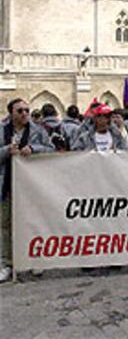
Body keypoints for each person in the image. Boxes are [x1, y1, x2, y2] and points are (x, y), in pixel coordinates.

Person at [0, 98, 55, 283]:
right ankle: (7, 263)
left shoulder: (37, 130)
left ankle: (33, 259)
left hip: (31, 186)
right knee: (5, 226)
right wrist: (7, 150)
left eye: (27, 110)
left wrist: (34, 148)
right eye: (20, 111)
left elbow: (50, 149)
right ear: (11, 114)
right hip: (6, 185)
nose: (25, 114)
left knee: (32, 222)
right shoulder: (2, 130)